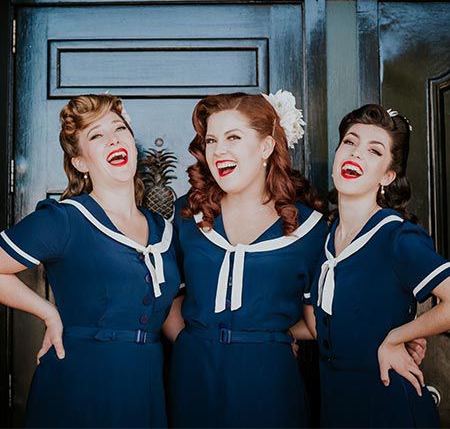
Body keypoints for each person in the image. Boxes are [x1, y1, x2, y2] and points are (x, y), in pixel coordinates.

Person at [0, 94, 180, 428]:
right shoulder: (64, 220)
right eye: (96, 135)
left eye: (119, 129)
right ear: (81, 162)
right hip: (79, 385)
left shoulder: (164, 229)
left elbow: (170, 309)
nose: (113, 139)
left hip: (147, 386)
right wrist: (48, 312)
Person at [163, 91, 328, 428]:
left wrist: (275, 337)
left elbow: (321, 321)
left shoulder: (311, 228)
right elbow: (165, 295)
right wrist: (191, 345)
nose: (218, 150)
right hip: (194, 378)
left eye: (233, 137)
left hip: (270, 382)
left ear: (266, 147)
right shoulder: (188, 215)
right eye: (211, 140)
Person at [305, 104, 450, 428]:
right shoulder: (326, 238)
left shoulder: (397, 236)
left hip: (389, 405)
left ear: (388, 175)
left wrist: (397, 337)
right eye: (350, 142)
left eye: (374, 150)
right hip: (337, 406)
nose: (356, 153)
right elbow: (320, 325)